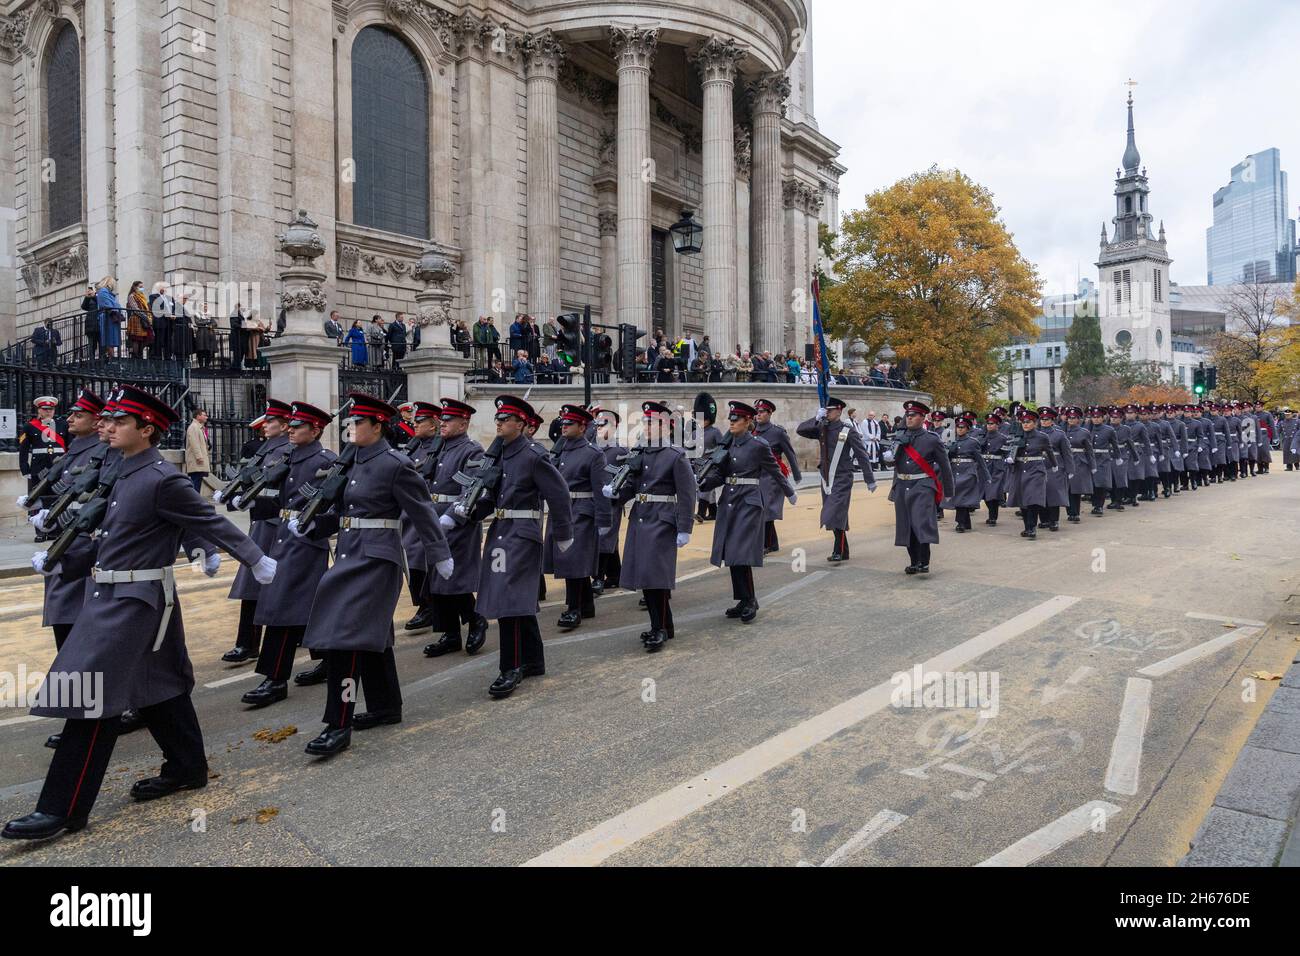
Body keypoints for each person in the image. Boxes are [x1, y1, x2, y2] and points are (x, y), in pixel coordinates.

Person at [4, 385, 276, 842]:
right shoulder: (123, 470)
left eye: (119, 421)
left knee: (92, 698)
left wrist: (254, 557)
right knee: (162, 686)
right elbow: (109, 541)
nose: (107, 426)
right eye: (106, 419)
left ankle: (62, 808)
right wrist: (60, 557)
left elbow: (206, 520)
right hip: (115, 597)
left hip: (134, 603)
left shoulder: (160, 477)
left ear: (146, 429)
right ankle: (188, 767)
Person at [291, 393, 450, 756]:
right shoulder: (352, 462)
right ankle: (385, 706)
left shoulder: (395, 464)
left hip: (377, 561)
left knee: (345, 637)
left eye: (358, 422)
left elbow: (422, 511)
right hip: (351, 554)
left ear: (377, 426)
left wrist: (439, 554)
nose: (351, 427)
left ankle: (338, 723)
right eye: (350, 422)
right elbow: (348, 514)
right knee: (367, 635)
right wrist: (312, 527)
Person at [460, 395, 573, 699]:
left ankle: (510, 667)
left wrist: (563, 533)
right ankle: (533, 660)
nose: (498, 423)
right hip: (500, 531)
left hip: (521, 535)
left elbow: (559, 496)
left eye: (505, 419)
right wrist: (468, 512)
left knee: (509, 599)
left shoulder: (534, 455)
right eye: (497, 419)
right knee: (512, 598)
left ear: (521, 424)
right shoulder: (499, 455)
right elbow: (490, 498)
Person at [239, 401, 337, 709]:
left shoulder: (327, 461)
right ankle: (328, 659)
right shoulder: (287, 457)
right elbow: (274, 499)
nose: (291, 431)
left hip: (306, 545)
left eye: (297, 427)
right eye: (290, 426)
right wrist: (243, 499)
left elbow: (335, 505)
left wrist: (314, 527)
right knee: (306, 608)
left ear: (316, 430)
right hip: (282, 538)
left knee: (283, 607)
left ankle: (275, 678)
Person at [605, 401, 698, 652]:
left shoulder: (675, 455)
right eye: (645, 422)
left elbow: (687, 494)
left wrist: (685, 527)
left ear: (666, 427)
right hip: (641, 517)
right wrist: (614, 493)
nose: (647, 427)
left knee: (655, 576)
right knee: (646, 575)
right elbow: (631, 487)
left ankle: (659, 628)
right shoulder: (640, 453)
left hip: (662, 519)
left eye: (652, 423)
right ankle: (663, 625)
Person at [698, 400, 795, 623]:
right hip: (729, 501)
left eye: (736, 419)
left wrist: (789, 492)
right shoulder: (727, 444)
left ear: (747, 421)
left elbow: (775, 470)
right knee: (731, 552)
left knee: (741, 553)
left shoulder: (758, 445)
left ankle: (751, 600)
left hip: (749, 502)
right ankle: (742, 599)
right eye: (730, 419)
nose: (731, 423)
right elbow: (720, 475)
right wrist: (703, 483)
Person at [213, 400, 292, 664]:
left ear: (284, 425)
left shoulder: (287, 451)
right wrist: (232, 495)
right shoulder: (265, 450)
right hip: (261, 522)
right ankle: (247, 642)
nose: (265, 425)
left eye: (270, 421)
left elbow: (280, 493)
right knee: (253, 585)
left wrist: (246, 500)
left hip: (276, 524)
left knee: (268, 586)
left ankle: (251, 643)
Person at [421, 398, 489, 657]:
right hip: (434, 519)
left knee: (454, 578)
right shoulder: (440, 448)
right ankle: (449, 633)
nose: (443, 424)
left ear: (464, 422)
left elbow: (471, 488)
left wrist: (452, 517)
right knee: (437, 579)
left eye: (448, 420)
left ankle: (475, 619)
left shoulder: (472, 451)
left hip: (458, 521)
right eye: (442, 420)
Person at [544, 405, 612, 630]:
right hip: (562, 509)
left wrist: (604, 520)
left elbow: (601, 489)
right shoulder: (560, 450)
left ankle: (573, 608)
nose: (564, 426)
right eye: (563, 423)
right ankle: (586, 604)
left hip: (582, 510)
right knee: (569, 558)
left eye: (569, 423)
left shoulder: (593, 454)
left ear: (582, 427)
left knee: (572, 559)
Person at [797, 396, 876, 560]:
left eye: (830, 410)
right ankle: (842, 550)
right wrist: (816, 418)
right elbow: (801, 430)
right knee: (838, 514)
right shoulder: (821, 428)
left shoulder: (848, 430)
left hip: (842, 476)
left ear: (839, 411)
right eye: (825, 410)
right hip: (826, 476)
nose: (827, 413)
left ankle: (838, 551)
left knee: (833, 512)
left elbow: (862, 455)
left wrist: (870, 479)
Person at [887, 400, 954, 573]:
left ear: (922, 417)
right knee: (906, 524)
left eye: (913, 415)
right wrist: (887, 456)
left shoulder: (931, 439)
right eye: (907, 416)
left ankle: (924, 561)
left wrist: (948, 491)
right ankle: (914, 561)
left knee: (921, 523)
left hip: (923, 485)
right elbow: (892, 464)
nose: (909, 419)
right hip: (902, 485)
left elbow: (945, 466)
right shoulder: (899, 437)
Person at [397, 402, 443, 632]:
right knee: (411, 559)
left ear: (433, 425)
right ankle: (425, 605)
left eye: (420, 421)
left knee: (422, 560)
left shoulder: (440, 448)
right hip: (408, 512)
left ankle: (428, 606)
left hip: (427, 511)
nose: (414, 423)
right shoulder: (413, 447)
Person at [752, 398, 802, 554]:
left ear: (769, 413)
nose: (758, 415)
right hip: (755, 474)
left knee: (766, 509)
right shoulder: (751, 431)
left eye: (761, 412)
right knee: (759, 509)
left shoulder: (778, 432)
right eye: (756, 412)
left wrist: (797, 475)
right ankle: (772, 543)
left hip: (772, 475)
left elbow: (790, 453)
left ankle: (765, 544)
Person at [18, 396, 68, 542]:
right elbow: (23, 450)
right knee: (37, 500)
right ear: (38, 410)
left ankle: (54, 531)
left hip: (58, 468)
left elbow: (70, 448)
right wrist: (25, 469)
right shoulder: (29, 426)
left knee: (58, 499)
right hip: (38, 469)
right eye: (45, 409)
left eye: (51, 409)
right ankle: (40, 532)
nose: (48, 412)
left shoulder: (62, 425)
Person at [1006, 408, 1056, 539]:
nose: (1026, 424)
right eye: (1023, 422)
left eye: (1029, 422)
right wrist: (1008, 457)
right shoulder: (1017, 435)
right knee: (1022, 500)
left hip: (1036, 470)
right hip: (1019, 470)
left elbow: (1050, 452)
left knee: (1033, 499)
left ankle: (1032, 527)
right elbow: (1008, 450)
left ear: (1035, 423)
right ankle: (1027, 527)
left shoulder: (1042, 437)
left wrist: (1054, 465)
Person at [593, 409, 626, 597]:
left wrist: (617, 495)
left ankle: (598, 577)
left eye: (602, 425)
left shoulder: (620, 451)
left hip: (611, 502)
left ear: (613, 428)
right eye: (596, 425)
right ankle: (615, 574)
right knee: (608, 540)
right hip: (595, 501)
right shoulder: (592, 448)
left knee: (605, 538)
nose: (598, 428)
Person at [942, 412, 989, 533]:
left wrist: (986, 475)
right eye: (958, 427)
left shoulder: (973, 442)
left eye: (962, 427)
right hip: (955, 471)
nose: (959, 429)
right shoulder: (951, 441)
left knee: (961, 497)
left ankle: (961, 523)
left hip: (967, 472)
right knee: (959, 497)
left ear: (967, 428)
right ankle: (966, 522)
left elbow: (979, 459)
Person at [1062, 407, 1096, 522]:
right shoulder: (1062, 431)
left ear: (1078, 419)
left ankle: (1075, 513)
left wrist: (1093, 465)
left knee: (1075, 489)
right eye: (1069, 418)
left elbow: (1089, 450)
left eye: (1074, 418)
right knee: (1067, 488)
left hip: (1079, 462)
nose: (1071, 420)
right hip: (1065, 462)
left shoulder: (1084, 432)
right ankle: (1069, 512)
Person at [978, 412, 1010, 525]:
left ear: (997, 425)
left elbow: (1007, 453)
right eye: (988, 424)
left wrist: (1006, 463)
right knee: (986, 494)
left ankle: (993, 517)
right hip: (984, 467)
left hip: (996, 467)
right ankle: (991, 515)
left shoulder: (1002, 438)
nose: (989, 426)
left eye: (992, 424)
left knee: (993, 493)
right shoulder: (982, 437)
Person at [95, 277, 125, 359]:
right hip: (107, 317)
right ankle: (111, 358)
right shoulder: (103, 291)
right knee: (109, 338)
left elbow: (115, 305)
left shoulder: (108, 293)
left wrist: (116, 306)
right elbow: (107, 304)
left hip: (112, 317)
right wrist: (116, 307)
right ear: (109, 283)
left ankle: (112, 358)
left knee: (112, 339)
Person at [184, 409, 210, 493]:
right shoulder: (194, 427)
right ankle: (194, 503)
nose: (206, 417)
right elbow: (194, 444)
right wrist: (199, 457)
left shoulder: (198, 427)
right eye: (204, 415)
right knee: (195, 483)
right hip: (197, 461)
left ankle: (195, 502)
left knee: (197, 482)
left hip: (198, 461)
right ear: (198, 416)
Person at [126, 281, 152, 359]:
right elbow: (135, 309)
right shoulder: (131, 296)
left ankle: (140, 355)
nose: (142, 288)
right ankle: (136, 356)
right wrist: (146, 317)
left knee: (146, 338)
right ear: (135, 287)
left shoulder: (142, 296)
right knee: (136, 339)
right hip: (136, 319)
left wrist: (148, 316)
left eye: (142, 287)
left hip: (144, 319)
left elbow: (147, 307)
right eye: (140, 287)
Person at [81, 284, 100, 358]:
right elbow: (83, 307)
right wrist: (87, 297)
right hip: (90, 325)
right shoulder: (89, 298)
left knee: (101, 343)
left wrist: (94, 296)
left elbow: (100, 303)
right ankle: (92, 360)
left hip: (99, 323)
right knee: (92, 344)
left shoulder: (99, 296)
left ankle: (102, 358)